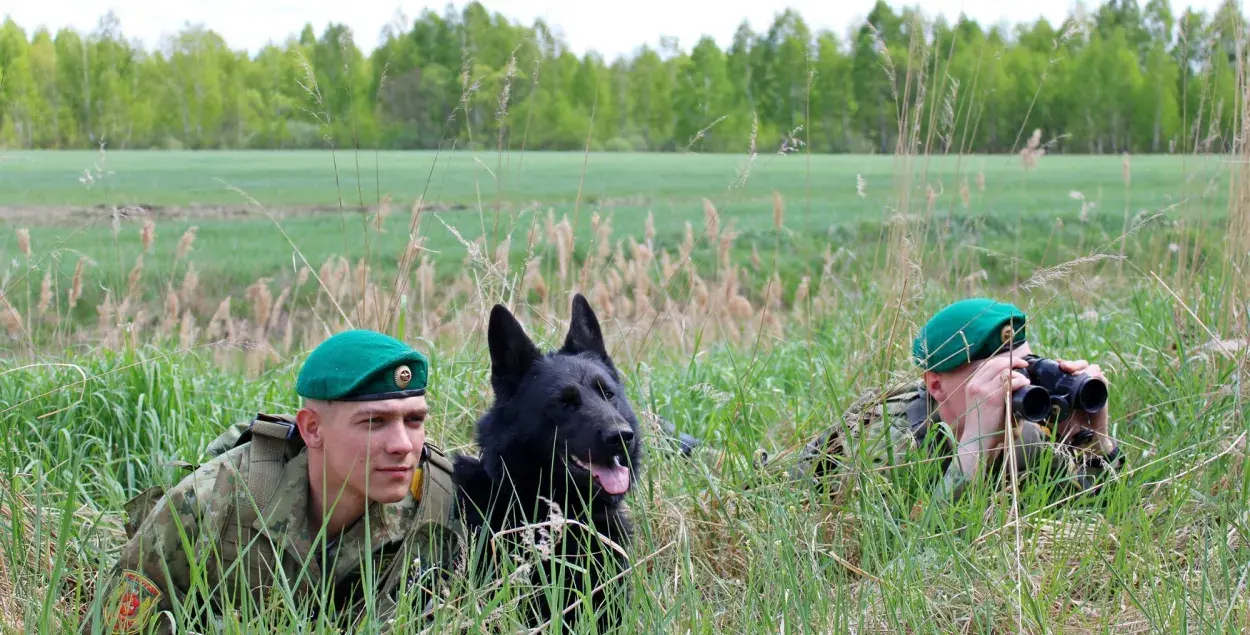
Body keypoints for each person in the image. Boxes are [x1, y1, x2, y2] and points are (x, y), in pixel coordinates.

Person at [81, 330, 461, 635]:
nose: (402, 446)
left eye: (413, 421)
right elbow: (111, 623)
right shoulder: (213, 503)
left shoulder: (440, 502)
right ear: (313, 428)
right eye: (374, 422)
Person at [792, 298, 1125, 504]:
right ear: (936, 384)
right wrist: (974, 447)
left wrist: (1093, 440)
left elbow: (1100, 506)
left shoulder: (1022, 434)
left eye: (1025, 368)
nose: (1012, 387)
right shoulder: (891, 444)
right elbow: (903, 560)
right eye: (994, 376)